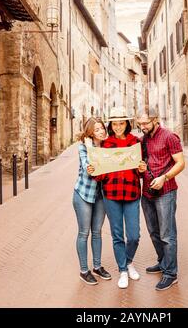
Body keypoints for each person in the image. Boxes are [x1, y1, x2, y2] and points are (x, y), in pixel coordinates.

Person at [89, 107, 145, 289]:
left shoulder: (135, 142)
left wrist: (142, 169)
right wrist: (94, 171)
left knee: (134, 235)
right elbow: (100, 174)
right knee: (117, 235)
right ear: (110, 125)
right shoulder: (105, 145)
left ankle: (128, 261)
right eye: (115, 123)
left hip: (132, 193)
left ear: (127, 124)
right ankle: (123, 269)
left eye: (121, 123)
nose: (118, 127)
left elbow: (140, 171)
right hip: (111, 194)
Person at [137, 108, 185, 291]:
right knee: (154, 232)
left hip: (166, 192)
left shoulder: (169, 137)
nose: (142, 127)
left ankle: (171, 274)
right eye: (140, 124)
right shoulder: (143, 140)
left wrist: (164, 177)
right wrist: (141, 169)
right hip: (147, 193)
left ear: (155, 120)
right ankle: (163, 262)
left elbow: (181, 163)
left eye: (145, 123)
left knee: (167, 234)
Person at [73, 117, 111, 285]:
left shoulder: (108, 146)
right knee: (84, 233)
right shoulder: (83, 147)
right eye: (96, 129)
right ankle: (84, 270)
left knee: (97, 232)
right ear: (90, 133)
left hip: (100, 195)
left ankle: (97, 266)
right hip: (83, 195)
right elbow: (91, 169)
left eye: (102, 128)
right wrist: (89, 148)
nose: (101, 131)